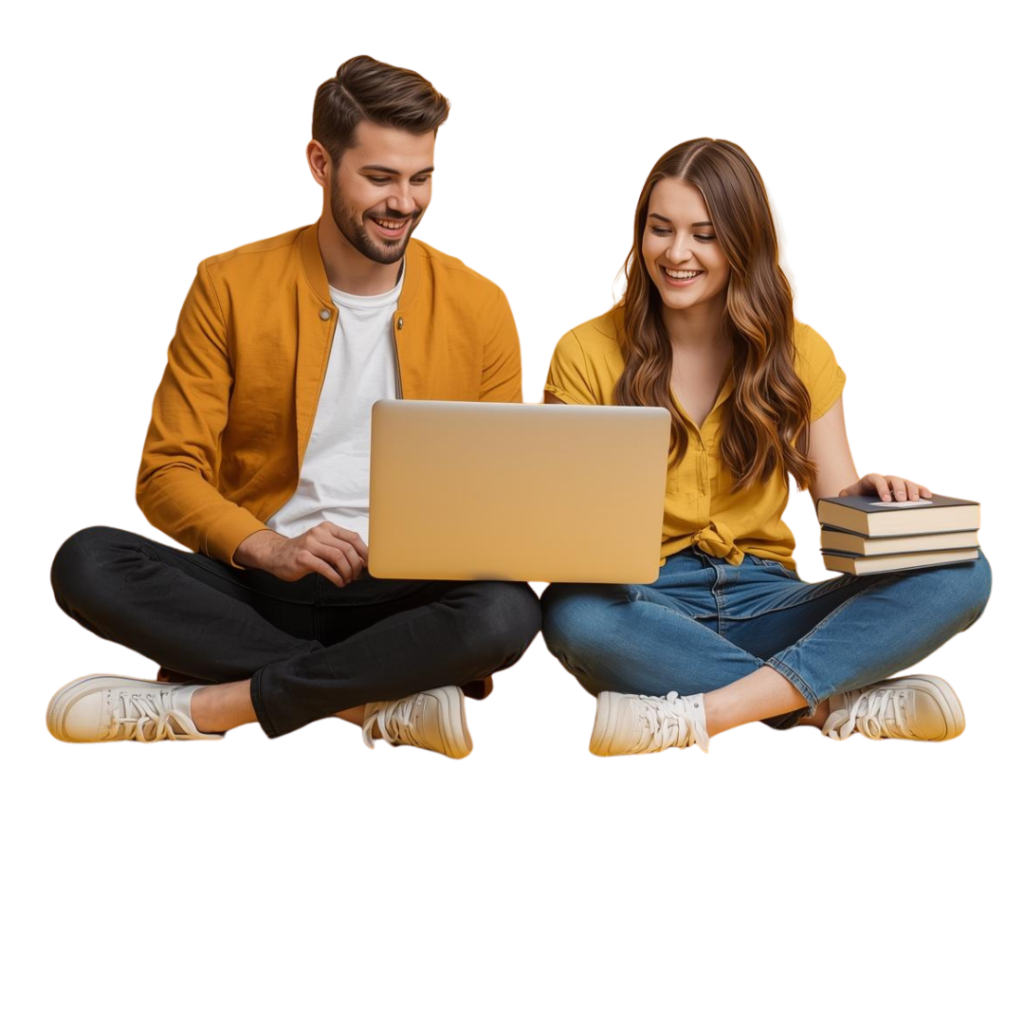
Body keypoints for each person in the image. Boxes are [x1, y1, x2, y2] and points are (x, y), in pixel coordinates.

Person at [46, 55, 541, 753]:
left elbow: (503, 487)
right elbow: (164, 474)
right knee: (87, 562)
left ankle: (216, 704)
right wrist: (271, 548)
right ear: (319, 163)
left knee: (507, 612)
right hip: (255, 583)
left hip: (405, 595)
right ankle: (363, 702)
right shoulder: (225, 283)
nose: (405, 202)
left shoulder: (482, 303)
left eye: (421, 177)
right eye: (379, 177)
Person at [539, 136, 991, 757]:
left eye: (704, 234)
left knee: (964, 568)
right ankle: (828, 704)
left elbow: (837, 521)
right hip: (642, 602)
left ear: (743, 242)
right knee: (573, 618)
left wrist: (870, 498)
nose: (675, 253)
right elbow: (554, 524)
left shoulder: (801, 349)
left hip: (770, 597)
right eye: (659, 229)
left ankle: (711, 710)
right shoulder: (584, 350)